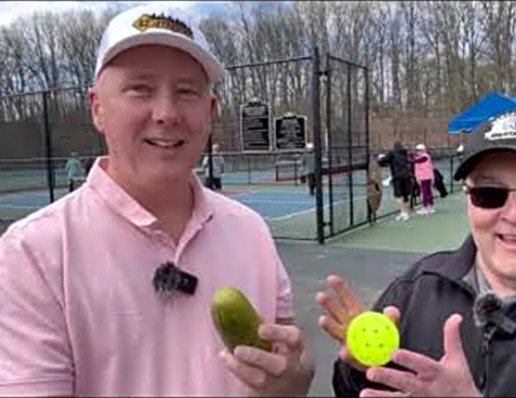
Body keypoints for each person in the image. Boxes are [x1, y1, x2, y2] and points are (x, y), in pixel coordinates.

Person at [0, 4, 314, 396]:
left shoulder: (252, 232)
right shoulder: (32, 253)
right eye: (140, 89)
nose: (166, 113)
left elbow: (287, 371)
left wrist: (295, 381)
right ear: (97, 107)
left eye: (186, 92)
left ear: (210, 111)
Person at [317, 109, 516, 397]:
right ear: (469, 200)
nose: (514, 214)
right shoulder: (415, 289)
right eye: (488, 193)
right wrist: (361, 372)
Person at [378, 141, 413, 221]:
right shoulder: (405, 153)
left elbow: (383, 160)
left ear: (394, 147)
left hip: (397, 177)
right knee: (406, 195)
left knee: (398, 195)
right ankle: (406, 213)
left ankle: (402, 213)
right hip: (407, 176)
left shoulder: (392, 153)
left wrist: (379, 159)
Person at [412, 143, 436, 215]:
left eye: (420, 150)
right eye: (417, 150)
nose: (418, 151)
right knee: (427, 192)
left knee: (425, 193)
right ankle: (430, 207)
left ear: (424, 150)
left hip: (424, 178)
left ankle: (426, 208)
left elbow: (416, 162)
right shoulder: (423, 157)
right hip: (425, 177)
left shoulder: (425, 157)